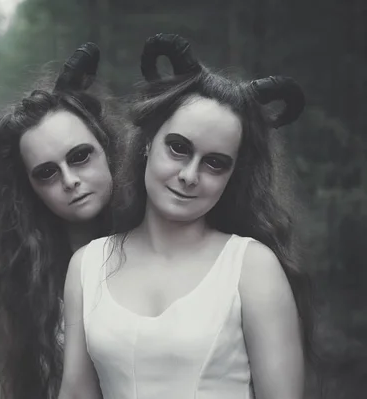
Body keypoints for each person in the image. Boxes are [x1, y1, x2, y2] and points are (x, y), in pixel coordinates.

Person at [59, 33, 317, 399]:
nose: (190, 175)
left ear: (232, 175)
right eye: (179, 148)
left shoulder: (251, 266)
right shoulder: (87, 266)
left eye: (215, 163)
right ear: (148, 141)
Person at [0, 42, 132, 399]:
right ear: (30, 189)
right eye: (47, 173)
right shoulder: (24, 274)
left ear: (107, 148)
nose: (70, 180)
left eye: (81, 156)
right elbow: (17, 389)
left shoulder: (160, 241)